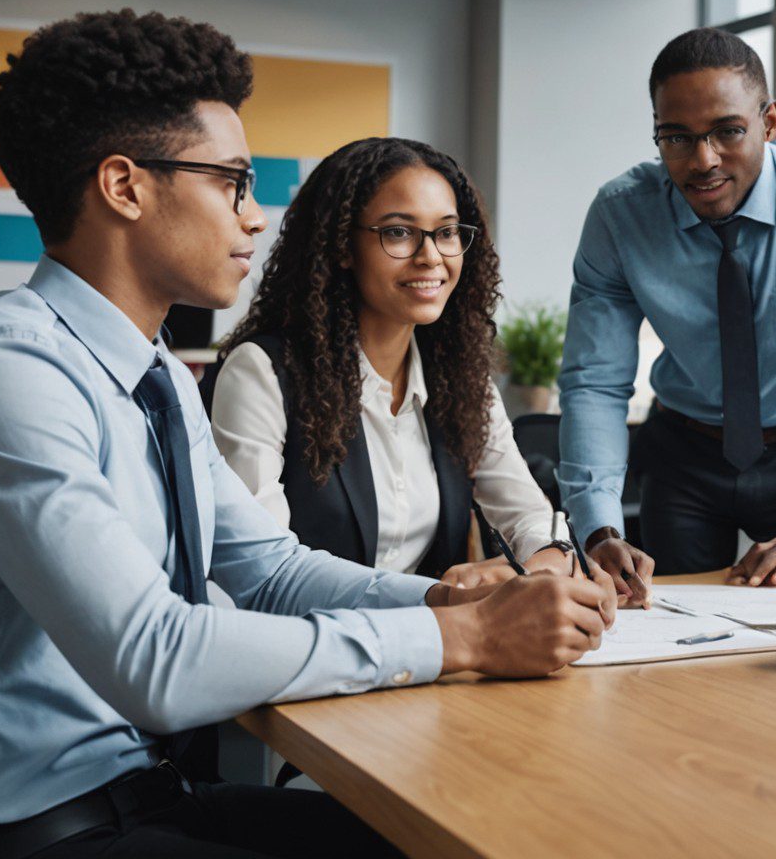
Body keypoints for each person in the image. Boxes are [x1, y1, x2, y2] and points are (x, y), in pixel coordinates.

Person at [0, 10, 616, 856]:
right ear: (125, 187)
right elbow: (155, 658)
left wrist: (448, 599)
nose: (255, 217)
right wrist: (459, 637)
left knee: (471, 835)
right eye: (232, 182)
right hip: (34, 832)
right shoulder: (9, 371)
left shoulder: (160, 373)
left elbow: (268, 569)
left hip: (153, 794)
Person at [559, 28, 776, 595]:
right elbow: (595, 383)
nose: (703, 161)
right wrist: (598, 527)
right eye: (675, 138)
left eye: (728, 131)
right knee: (665, 629)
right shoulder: (620, 216)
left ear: (769, 122)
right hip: (684, 455)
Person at [205, 137, 570, 588]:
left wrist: (547, 557)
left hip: (444, 650)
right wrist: (441, 599)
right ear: (342, 246)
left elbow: (528, 515)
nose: (431, 256)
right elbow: (263, 572)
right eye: (399, 232)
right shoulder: (262, 373)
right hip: (318, 646)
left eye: (448, 232)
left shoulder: (461, 381)